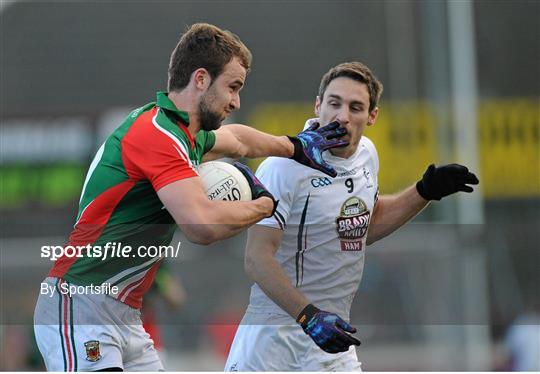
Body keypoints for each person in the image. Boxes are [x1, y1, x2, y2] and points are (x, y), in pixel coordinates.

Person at [33, 23, 348, 371]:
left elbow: (238, 140)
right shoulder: (158, 137)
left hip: (124, 313)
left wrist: (295, 146)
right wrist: (264, 206)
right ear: (200, 79)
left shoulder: (184, 135)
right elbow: (202, 227)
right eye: (232, 87)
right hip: (81, 303)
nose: (236, 101)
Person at [225, 61, 480, 371]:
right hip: (274, 340)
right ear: (318, 105)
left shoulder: (367, 155)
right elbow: (257, 258)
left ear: (372, 116)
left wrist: (424, 192)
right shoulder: (282, 167)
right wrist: (309, 316)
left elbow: (361, 227)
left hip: (332, 337)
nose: (342, 116)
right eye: (334, 103)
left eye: (355, 107)